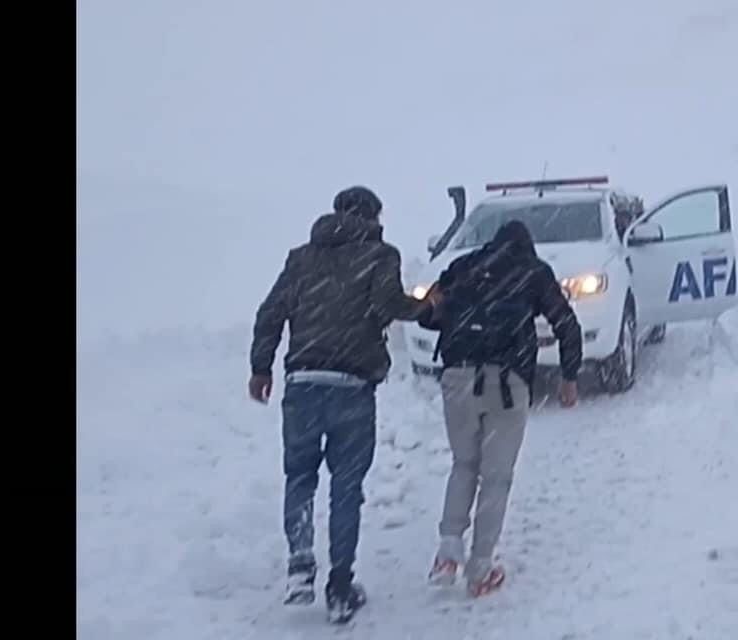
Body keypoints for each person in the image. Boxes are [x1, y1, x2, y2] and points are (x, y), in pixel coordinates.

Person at [249, 185, 431, 624]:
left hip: (302, 383)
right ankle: (340, 586)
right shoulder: (380, 254)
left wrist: (261, 368)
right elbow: (387, 305)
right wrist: (427, 305)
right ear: (373, 215)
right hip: (351, 385)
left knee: (300, 476)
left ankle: (299, 565)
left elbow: (270, 313)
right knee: (346, 487)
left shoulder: (301, 258)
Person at [415, 220, 582, 597]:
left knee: (463, 464)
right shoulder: (533, 272)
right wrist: (569, 377)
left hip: (457, 378)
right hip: (508, 384)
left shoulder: (463, 266)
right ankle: (480, 569)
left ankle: (447, 554)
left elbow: (426, 314)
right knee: (496, 477)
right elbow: (566, 324)